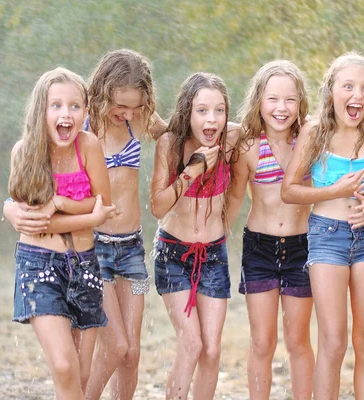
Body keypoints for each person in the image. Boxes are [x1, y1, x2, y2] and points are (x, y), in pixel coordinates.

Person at [281, 51, 364, 399]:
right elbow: (289, 190)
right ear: (331, 91)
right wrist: (339, 190)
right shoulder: (315, 131)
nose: (358, 95)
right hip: (326, 237)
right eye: (348, 86)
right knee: (333, 342)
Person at [8, 67, 115, 399]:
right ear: (41, 110)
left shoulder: (89, 146)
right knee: (65, 367)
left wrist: (59, 202)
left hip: (85, 266)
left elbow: (104, 206)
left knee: (80, 376)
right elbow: (36, 223)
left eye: (74, 106)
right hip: (39, 266)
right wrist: (82, 212)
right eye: (55, 105)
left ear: (85, 111)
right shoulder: (25, 153)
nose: (65, 114)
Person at [226, 60, 314, 400]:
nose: (281, 108)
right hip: (259, 248)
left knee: (297, 340)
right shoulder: (247, 147)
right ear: (259, 101)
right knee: (262, 341)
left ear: (300, 103)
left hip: (302, 247)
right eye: (273, 99)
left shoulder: (309, 141)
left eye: (290, 100)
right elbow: (235, 199)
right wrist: (216, 237)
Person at [83, 49, 167, 400]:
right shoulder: (84, 124)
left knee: (131, 354)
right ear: (102, 92)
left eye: (136, 105)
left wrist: (235, 129)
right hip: (94, 248)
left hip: (132, 248)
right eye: (120, 105)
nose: (128, 113)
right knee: (115, 346)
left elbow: (179, 130)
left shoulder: (141, 118)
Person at [150, 72, 239, 400]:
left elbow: (271, 125)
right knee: (192, 342)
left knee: (212, 350)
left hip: (213, 254)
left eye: (219, 110)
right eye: (202, 110)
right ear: (188, 112)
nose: (211, 119)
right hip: (174, 254)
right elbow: (157, 207)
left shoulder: (231, 140)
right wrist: (192, 171)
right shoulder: (170, 145)